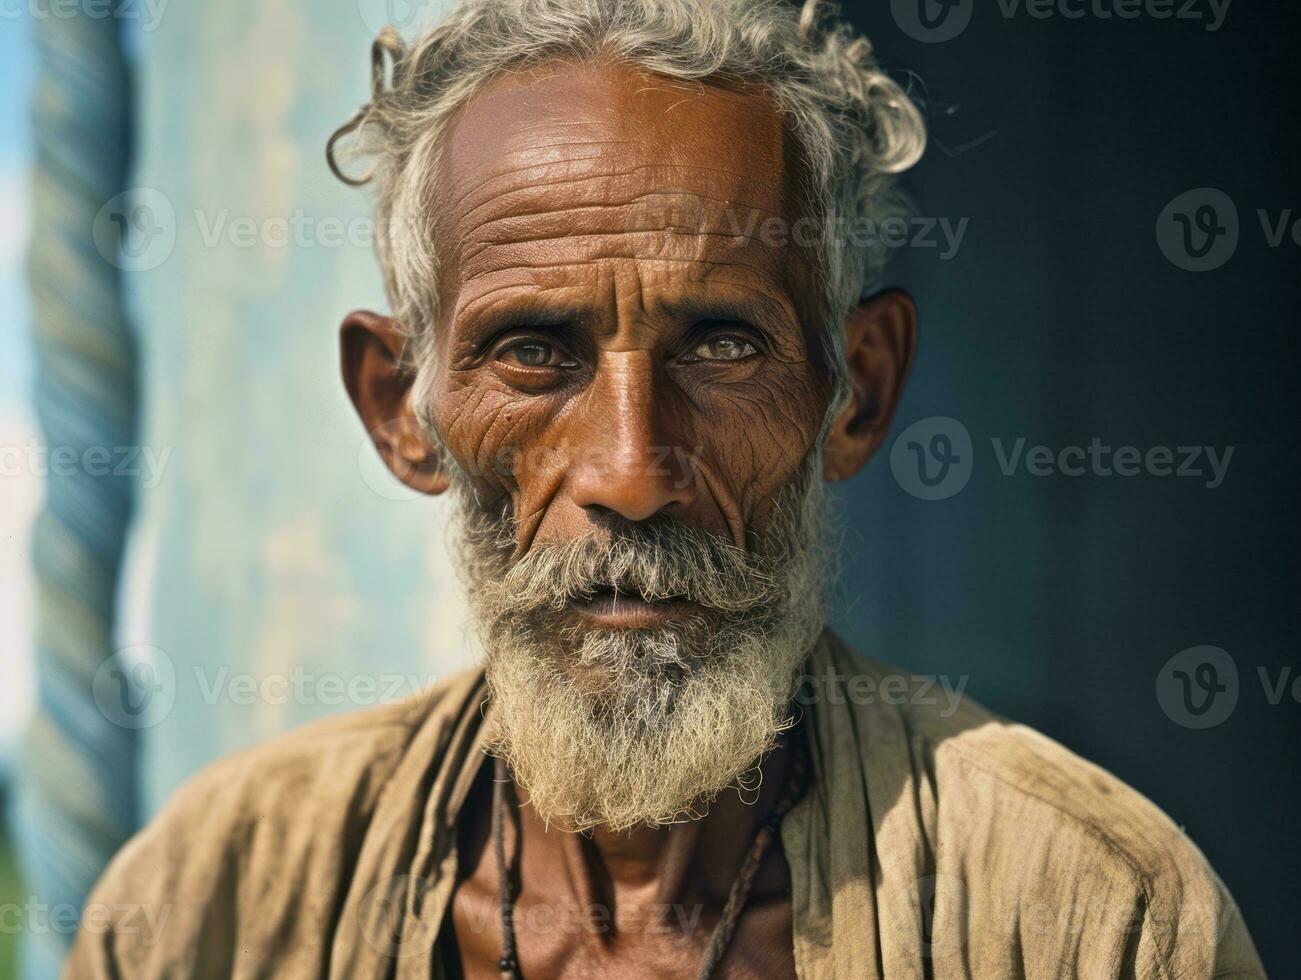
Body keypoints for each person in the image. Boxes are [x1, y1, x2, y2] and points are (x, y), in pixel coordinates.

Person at [66, 1, 1263, 977]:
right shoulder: (208, 905)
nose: (633, 471)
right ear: (399, 411)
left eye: (722, 346)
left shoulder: (1089, 916)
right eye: (535, 351)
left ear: (852, 391)